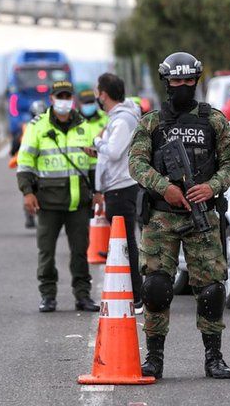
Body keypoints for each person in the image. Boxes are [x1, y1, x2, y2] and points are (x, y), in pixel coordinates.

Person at [128, 52, 230, 379]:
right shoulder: (151, 123)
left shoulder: (214, 121)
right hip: (162, 216)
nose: (182, 86)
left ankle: (214, 357)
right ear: (166, 82)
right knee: (156, 287)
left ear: (196, 81)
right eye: (176, 81)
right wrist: (164, 187)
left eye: (188, 81)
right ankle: (154, 358)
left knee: (211, 289)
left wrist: (212, 186)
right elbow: (136, 164)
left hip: (202, 216)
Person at [16, 81, 100, 313]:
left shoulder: (84, 126)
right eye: (59, 96)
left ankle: (82, 296)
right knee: (46, 252)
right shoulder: (38, 126)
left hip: (79, 202)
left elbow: (94, 164)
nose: (64, 100)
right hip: (48, 202)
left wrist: (98, 191)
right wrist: (27, 193)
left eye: (67, 96)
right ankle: (48, 295)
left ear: (72, 99)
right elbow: (25, 163)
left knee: (80, 252)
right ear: (52, 99)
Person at [91, 73, 143, 314]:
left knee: (126, 243)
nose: (96, 98)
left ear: (104, 94)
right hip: (116, 186)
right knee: (123, 242)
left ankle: (138, 296)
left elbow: (113, 152)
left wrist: (97, 141)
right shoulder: (118, 118)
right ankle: (131, 291)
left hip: (121, 188)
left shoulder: (122, 120)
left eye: (98, 93)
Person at [11, 100, 48, 229]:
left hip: (30, 169)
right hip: (47, 168)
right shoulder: (53, 128)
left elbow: (14, 147)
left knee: (28, 191)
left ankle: (30, 216)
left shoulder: (26, 128)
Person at [76, 88, 109, 186]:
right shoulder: (74, 121)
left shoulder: (106, 118)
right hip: (82, 171)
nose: (89, 105)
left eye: (91, 102)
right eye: (86, 103)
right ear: (79, 103)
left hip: (104, 168)